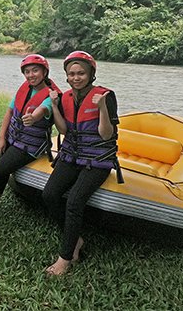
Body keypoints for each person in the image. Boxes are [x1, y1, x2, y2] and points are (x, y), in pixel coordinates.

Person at [41, 51, 121, 276]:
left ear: (91, 74)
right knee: (49, 195)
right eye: (72, 74)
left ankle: (65, 258)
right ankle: (76, 239)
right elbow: (64, 130)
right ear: (66, 76)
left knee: (74, 201)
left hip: (97, 160)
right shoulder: (65, 97)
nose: (76, 77)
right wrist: (55, 106)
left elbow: (106, 135)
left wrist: (102, 107)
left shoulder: (106, 96)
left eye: (81, 73)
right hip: (71, 156)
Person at [0, 54, 61, 216]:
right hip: (12, 138)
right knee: (1, 169)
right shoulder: (25, 89)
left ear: (44, 72)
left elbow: (42, 110)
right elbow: (10, 111)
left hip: (30, 145)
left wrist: (33, 117)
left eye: (35, 71)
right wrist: (1, 137)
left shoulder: (51, 96)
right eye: (27, 72)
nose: (31, 75)